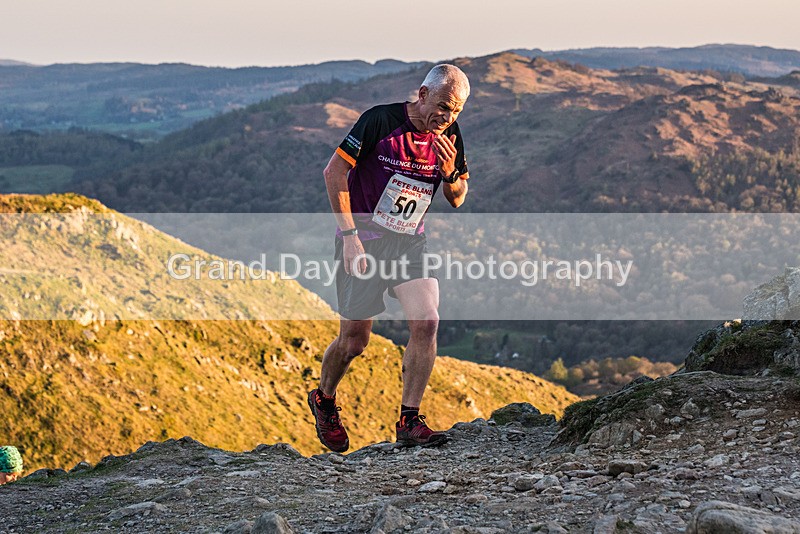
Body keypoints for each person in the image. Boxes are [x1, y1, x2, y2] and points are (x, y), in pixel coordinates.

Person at [307, 64, 471, 452]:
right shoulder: (379, 121)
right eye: (444, 107)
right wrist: (349, 237)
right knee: (354, 341)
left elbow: (459, 196)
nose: (447, 118)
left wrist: (450, 174)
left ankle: (408, 420)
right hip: (362, 239)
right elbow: (334, 173)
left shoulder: (449, 134)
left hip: (408, 244)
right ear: (422, 94)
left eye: (457, 112)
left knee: (427, 321)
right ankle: (324, 399)